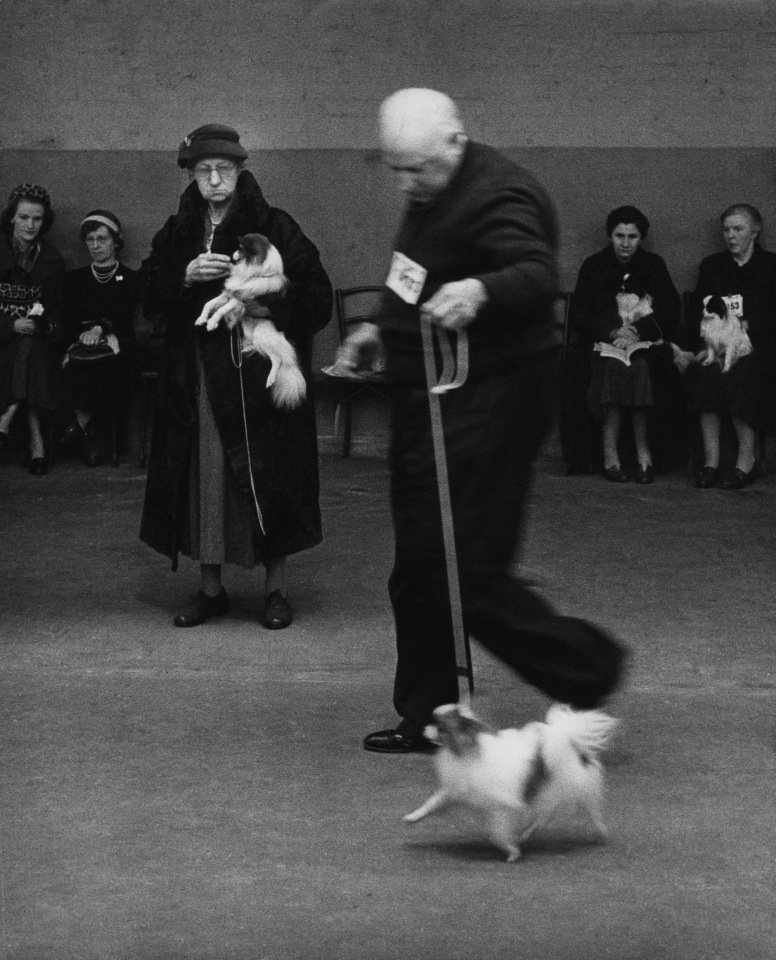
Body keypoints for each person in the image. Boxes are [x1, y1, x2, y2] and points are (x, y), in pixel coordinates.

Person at [337, 89, 626, 753]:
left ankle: (588, 668)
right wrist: (380, 331)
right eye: (398, 171)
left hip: (493, 399)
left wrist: (480, 289)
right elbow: (408, 274)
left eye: (418, 170)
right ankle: (432, 717)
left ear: (455, 142)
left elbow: (536, 270)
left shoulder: (502, 194)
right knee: (417, 564)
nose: (408, 184)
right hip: (429, 394)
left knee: (465, 566)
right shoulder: (430, 188)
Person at [140, 124, 332, 629]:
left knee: (269, 478)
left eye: (224, 169)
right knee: (205, 477)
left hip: (257, 380)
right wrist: (183, 277)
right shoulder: (178, 230)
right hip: (199, 378)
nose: (214, 178)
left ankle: (275, 590)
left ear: (242, 170)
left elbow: (317, 296)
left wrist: (263, 300)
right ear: (191, 175)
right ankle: (210, 589)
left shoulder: (275, 224)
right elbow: (147, 297)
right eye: (203, 171)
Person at [564, 206, 682, 482]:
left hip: (642, 343)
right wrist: (611, 332)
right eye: (619, 236)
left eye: (633, 236)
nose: (626, 243)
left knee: (640, 366)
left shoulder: (654, 265)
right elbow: (581, 312)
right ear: (610, 236)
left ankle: (644, 452)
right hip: (602, 343)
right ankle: (609, 453)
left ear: (641, 237)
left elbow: (670, 308)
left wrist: (639, 331)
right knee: (614, 367)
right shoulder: (593, 266)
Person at [685, 203, 776, 489]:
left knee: (743, 375)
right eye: (726, 230)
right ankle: (710, 462)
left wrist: (748, 325)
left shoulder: (772, 266)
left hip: (757, 345)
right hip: (719, 342)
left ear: (755, 231)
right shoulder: (713, 266)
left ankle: (744, 461)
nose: (731, 236)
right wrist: (706, 343)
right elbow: (699, 310)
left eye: (738, 229)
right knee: (705, 373)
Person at [61, 210, 140, 466]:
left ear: (116, 241)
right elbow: (69, 317)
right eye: (90, 239)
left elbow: (125, 316)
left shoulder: (130, 279)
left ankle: (94, 432)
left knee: (108, 369)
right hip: (82, 344)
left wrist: (101, 330)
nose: (95, 245)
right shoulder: (75, 280)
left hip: (118, 344)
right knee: (76, 366)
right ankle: (90, 432)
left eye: (102, 239)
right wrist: (83, 334)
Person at [0, 183, 65, 475]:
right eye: (24, 217)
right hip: (3, 335)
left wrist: (38, 323)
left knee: (32, 350)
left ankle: (6, 418)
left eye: (37, 219)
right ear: (12, 217)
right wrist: (10, 324)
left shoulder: (51, 259)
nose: (30, 225)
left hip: (35, 335)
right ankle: (36, 443)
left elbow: (57, 310)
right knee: (23, 351)